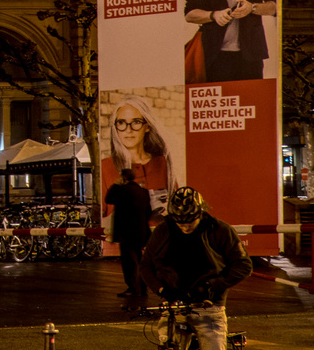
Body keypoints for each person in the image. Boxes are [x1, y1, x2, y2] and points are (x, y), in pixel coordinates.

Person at [141, 186, 251, 350]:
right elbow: (145, 265)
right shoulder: (162, 231)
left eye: (190, 221)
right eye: (180, 222)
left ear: (201, 213)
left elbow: (243, 265)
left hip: (208, 305)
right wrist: (162, 290)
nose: (185, 226)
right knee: (168, 343)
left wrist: (213, 285)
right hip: (173, 304)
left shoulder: (219, 230)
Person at [103, 95, 179, 214]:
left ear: (147, 126)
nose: (129, 130)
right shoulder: (106, 167)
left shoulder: (163, 163)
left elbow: (177, 209)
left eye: (136, 122)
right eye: (122, 123)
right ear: (115, 127)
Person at [104, 168, 152, 303]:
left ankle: (134, 288)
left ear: (123, 178)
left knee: (129, 262)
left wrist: (115, 184)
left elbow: (108, 199)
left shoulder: (121, 190)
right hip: (141, 232)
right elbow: (149, 212)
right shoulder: (143, 192)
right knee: (138, 260)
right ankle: (141, 288)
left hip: (126, 233)